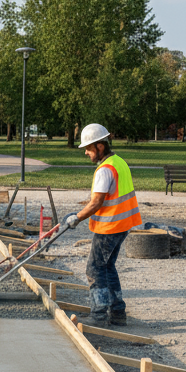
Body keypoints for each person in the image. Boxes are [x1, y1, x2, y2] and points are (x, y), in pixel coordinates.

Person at [59, 124, 142, 326]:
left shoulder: (105, 170)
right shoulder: (118, 162)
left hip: (110, 226)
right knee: (108, 267)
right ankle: (117, 312)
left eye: (88, 149)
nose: (86, 153)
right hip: (123, 224)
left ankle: (98, 315)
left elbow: (97, 202)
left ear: (100, 147)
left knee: (94, 269)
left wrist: (77, 218)